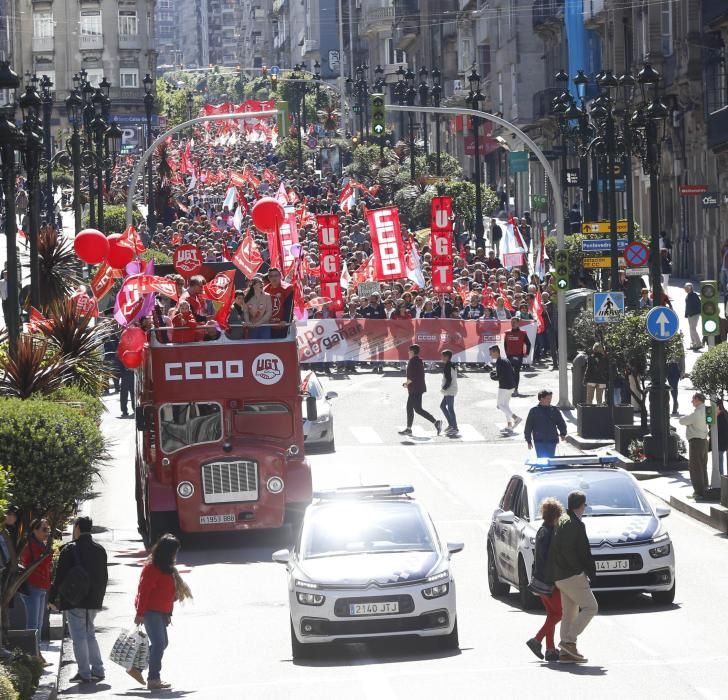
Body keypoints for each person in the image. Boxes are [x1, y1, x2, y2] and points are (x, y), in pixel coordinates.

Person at [48, 517, 108, 684]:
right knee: (90, 634)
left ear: (77, 528)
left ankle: (84, 672)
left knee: (79, 636)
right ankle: (98, 669)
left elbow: (59, 577)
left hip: (75, 600)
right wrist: (99, 599)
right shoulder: (100, 549)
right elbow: (104, 577)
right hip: (94, 600)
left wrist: (52, 598)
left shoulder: (70, 550)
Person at [134, 534, 191, 690]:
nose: (175, 555)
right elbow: (143, 592)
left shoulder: (168, 569)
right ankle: (153, 679)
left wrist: (174, 597)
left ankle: (136, 666)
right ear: (167, 552)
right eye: (173, 551)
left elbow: (165, 591)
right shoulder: (151, 568)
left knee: (162, 643)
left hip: (161, 612)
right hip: (150, 611)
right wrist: (139, 613)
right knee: (159, 644)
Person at [548, 490, 597, 663]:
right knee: (591, 607)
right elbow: (570, 550)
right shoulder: (573, 524)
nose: (585, 508)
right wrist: (579, 570)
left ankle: (566, 654)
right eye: (585, 505)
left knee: (569, 613)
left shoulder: (563, 519)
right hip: (571, 575)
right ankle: (568, 642)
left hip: (561, 576)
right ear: (581, 505)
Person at [526, 498, 564, 662]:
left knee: (551, 614)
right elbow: (552, 559)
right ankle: (536, 640)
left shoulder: (541, 530)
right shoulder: (551, 533)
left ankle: (550, 649)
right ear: (556, 516)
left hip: (539, 580)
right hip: (550, 582)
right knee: (560, 614)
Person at [19, 519, 53, 650]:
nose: (47, 533)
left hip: (41, 586)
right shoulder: (31, 545)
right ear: (35, 530)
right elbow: (38, 563)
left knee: (38, 622)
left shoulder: (40, 544)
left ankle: (36, 653)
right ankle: (32, 654)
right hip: (32, 586)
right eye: (44, 529)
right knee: (33, 624)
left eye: (48, 529)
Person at [398, 344, 442, 436]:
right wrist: (408, 383)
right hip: (417, 388)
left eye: (409, 351)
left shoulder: (413, 361)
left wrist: (406, 383)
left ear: (413, 352)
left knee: (416, 409)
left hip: (415, 389)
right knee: (412, 408)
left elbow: (412, 376)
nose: (408, 352)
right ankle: (409, 428)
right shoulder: (418, 360)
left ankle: (436, 422)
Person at [679, 393, 709, 497]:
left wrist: (687, 421)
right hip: (704, 441)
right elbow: (710, 422)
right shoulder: (707, 410)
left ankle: (699, 492)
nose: (692, 402)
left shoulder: (696, 414)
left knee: (695, 467)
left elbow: (682, 421)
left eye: (693, 399)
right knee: (703, 466)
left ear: (697, 400)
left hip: (696, 442)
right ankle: (705, 488)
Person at [524, 390, 567, 457]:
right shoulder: (534, 411)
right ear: (541, 399)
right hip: (539, 441)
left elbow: (561, 422)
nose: (550, 400)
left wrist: (563, 433)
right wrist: (529, 441)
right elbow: (528, 427)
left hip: (552, 440)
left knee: (550, 460)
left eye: (550, 398)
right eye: (548, 398)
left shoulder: (554, 410)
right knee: (541, 461)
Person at [489, 345, 521, 432]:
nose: (490, 355)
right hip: (511, 385)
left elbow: (499, 376)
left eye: (491, 353)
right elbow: (510, 372)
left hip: (504, 386)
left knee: (500, 405)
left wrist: (492, 376)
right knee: (505, 406)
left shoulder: (499, 362)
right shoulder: (505, 360)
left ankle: (516, 418)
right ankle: (509, 425)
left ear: (496, 352)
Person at [504, 317, 531, 397]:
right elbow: (505, 344)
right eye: (512, 322)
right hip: (509, 356)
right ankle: (510, 389)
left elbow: (528, 344)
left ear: (518, 323)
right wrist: (507, 354)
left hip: (518, 355)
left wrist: (527, 353)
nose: (513, 324)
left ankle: (515, 389)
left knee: (516, 372)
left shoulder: (523, 333)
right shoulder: (507, 333)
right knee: (509, 373)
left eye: (515, 322)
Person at [263, 267, 294, 338]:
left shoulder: (287, 288)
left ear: (280, 276)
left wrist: (285, 320)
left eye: (276, 275)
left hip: (282, 324)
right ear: (269, 278)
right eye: (271, 276)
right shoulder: (265, 290)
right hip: (268, 325)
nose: (274, 278)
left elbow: (289, 306)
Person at [439, 349, 459, 436]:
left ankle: (454, 427)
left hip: (449, 390)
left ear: (447, 357)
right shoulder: (451, 364)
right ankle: (451, 424)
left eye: (443, 356)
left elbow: (449, 379)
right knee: (442, 406)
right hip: (451, 389)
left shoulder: (448, 366)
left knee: (450, 408)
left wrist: (444, 388)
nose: (441, 358)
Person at [684, 283, 702, 351]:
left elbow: (697, 305)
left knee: (693, 329)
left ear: (690, 288)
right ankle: (693, 344)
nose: (685, 289)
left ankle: (698, 344)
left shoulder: (694, 295)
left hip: (694, 315)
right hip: (690, 315)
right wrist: (687, 314)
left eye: (686, 288)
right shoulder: (689, 295)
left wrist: (692, 313)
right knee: (691, 329)